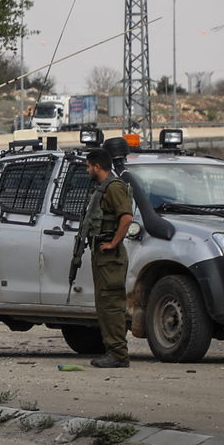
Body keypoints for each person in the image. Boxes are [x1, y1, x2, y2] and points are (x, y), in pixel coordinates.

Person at [83, 147, 134, 368]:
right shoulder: (103, 188)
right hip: (103, 256)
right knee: (104, 304)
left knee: (112, 304)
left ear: (97, 166)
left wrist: (113, 242)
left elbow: (126, 217)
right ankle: (112, 351)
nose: (87, 170)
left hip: (110, 257)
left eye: (88, 166)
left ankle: (118, 354)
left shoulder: (114, 187)